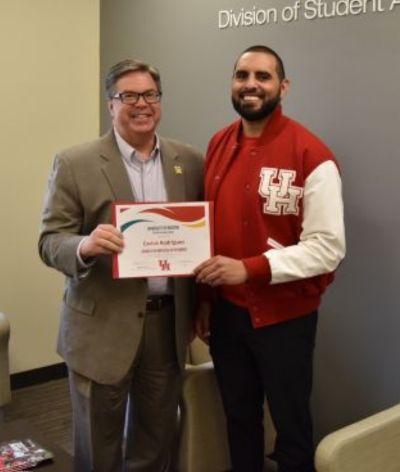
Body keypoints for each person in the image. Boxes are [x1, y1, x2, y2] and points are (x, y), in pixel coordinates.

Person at [39, 59, 203, 472]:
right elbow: (49, 241)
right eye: (128, 96)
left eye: (149, 95)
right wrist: (85, 245)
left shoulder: (190, 160)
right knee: (98, 444)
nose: (141, 104)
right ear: (110, 105)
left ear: (160, 102)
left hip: (165, 327)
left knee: (156, 438)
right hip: (100, 328)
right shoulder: (74, 162)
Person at [194, 45, 345, 472]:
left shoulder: (311, 155)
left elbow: (328, 248)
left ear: (284, 85)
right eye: (242, 75)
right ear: (232, 83)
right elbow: (209, 229)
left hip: (285, 321)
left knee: (291, 428)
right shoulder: (218, 144)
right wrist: (206, 297)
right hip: (227, 316)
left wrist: (251, 268)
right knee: (239, 419)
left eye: (263, 76)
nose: (251, 85)